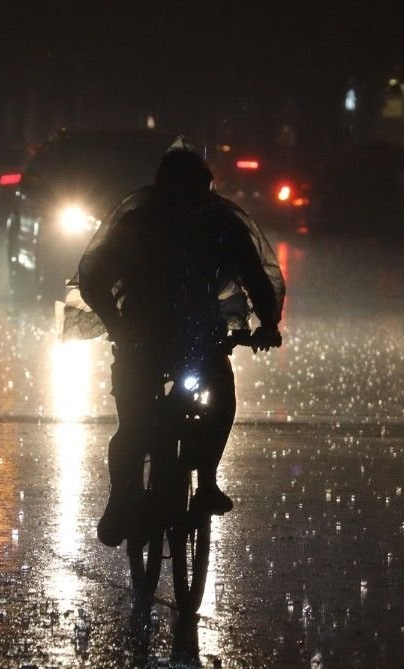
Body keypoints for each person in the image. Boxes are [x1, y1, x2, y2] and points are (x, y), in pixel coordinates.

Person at [72, 147, 285, 547]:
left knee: (219, 398)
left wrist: (268, 323)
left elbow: (255, 278)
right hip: (144, 338)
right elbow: (97, 277)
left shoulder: (222, 227)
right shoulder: (139, 226)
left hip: (196, 337)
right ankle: (121, 497)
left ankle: (206, 483)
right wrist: (118, 323)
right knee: (135, 426)